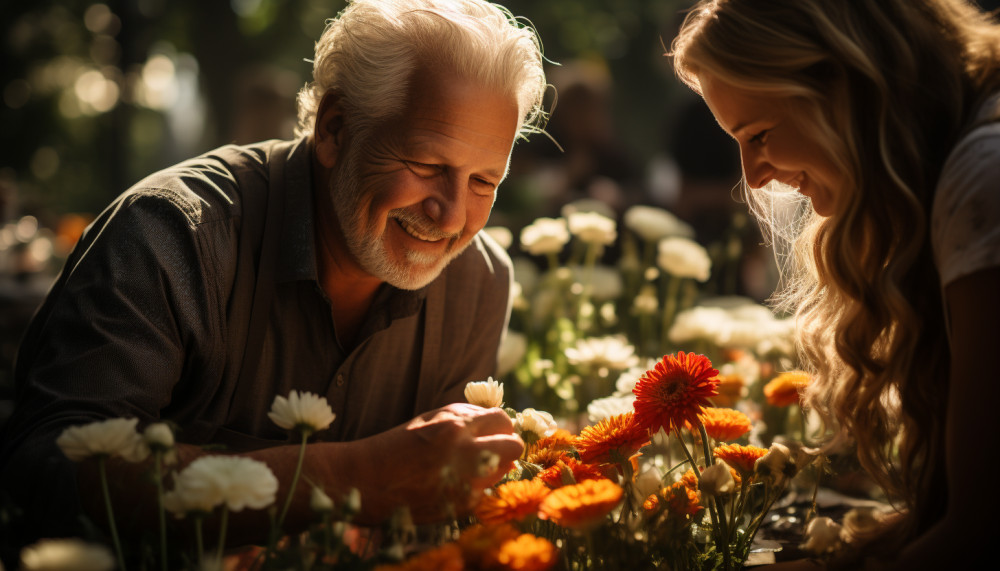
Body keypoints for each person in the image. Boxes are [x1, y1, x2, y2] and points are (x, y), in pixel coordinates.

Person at [0, 0, 547, 560]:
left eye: (484, 180)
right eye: (429, 166)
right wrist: (358, 475)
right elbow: (46, 471)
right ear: (334, 129)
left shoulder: (478, 284)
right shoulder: (173, 236)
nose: (453, 216)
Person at [670, 0, 1000, 568]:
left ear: (843, 86)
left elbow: (982, 530)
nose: (752, 175)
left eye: (760, 135)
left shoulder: (982, 180)